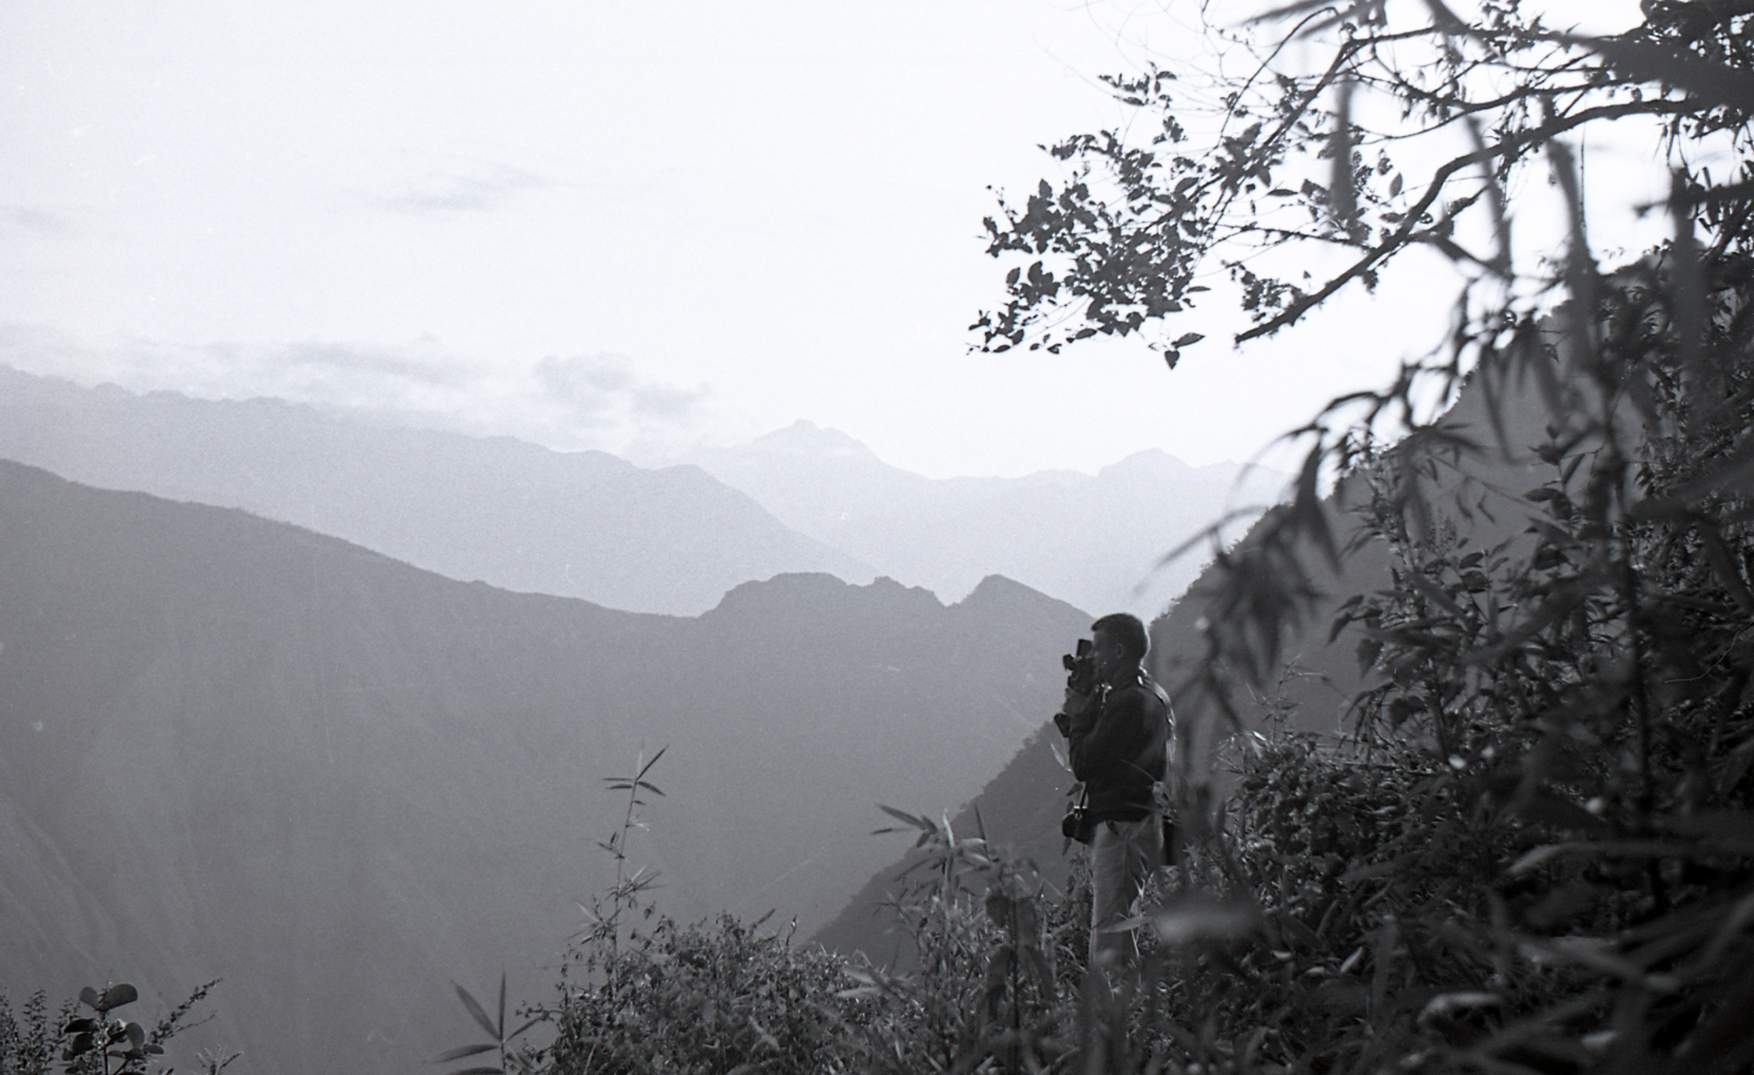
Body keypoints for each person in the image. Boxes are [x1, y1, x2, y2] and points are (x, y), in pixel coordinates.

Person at [1059, 612, 1172, 979]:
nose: (1093, 659)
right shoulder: (1151, 695)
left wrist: (1077, 715)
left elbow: (1084, 763)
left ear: (1119, 651)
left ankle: (1112, 1025)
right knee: (1121, 933)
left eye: (1099, 650)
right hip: (1139, 821)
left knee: (1108, 939)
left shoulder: (1126, 703)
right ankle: (1135, 1021)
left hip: (1122, 826)